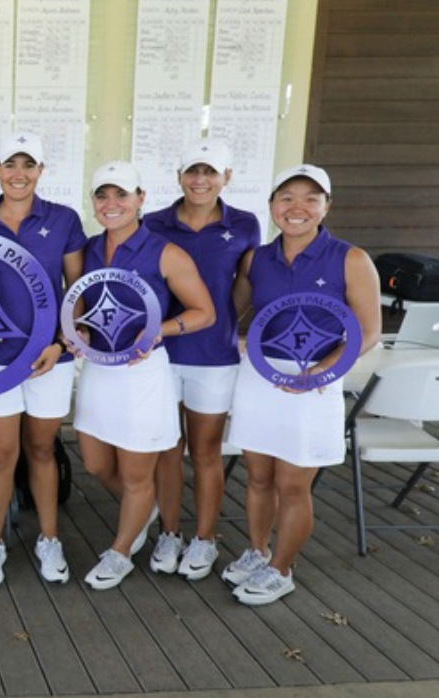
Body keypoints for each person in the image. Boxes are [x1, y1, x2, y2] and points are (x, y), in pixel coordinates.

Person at [223, 164, 380, 605]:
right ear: (273, 205)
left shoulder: (351, 258)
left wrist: (321, 374)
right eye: (287, 197)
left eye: (311, 198)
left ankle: (281, 569)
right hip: (261, 375)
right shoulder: (256, 258)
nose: (297, 208)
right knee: (257, 477)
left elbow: (368, 332)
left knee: (293, 485)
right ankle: (258, 551)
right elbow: (234, 312)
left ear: (326, 206)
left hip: (316, 377)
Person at [71, 161, 215, 591]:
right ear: (94, 204)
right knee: (96, 464)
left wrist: (158, 331)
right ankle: (145, 510)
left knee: (137, 475)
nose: (111, 204)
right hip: (98, 369)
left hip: (142, 374)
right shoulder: (92, 249)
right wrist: (78, 326)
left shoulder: (166, 252)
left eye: (121, 195)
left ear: (140, 199)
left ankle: (120, 552)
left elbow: (204, 312)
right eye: (102, 195)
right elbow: (79, 300)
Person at [0, 133, 86, 587]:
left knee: (40, 449)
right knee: (0, 454)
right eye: (10, 164)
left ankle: (48, 538)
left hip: (49, 357)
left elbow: (77, 290)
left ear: (41, 171)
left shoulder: (64, 219)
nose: (19, 173)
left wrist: (62, 341)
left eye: (28, 165)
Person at [142, 139, 261, 581]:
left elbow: (244, 286)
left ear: (226, 177)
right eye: (192, 171)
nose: (200, 180)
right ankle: (170, 532)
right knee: (167, 450)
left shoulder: (245, 224)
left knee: (206, 451)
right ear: (179, 177)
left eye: (210, 172)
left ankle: (205, 539)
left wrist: (224, 321)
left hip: (214, 356)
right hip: (160, 354)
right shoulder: (153, 223)